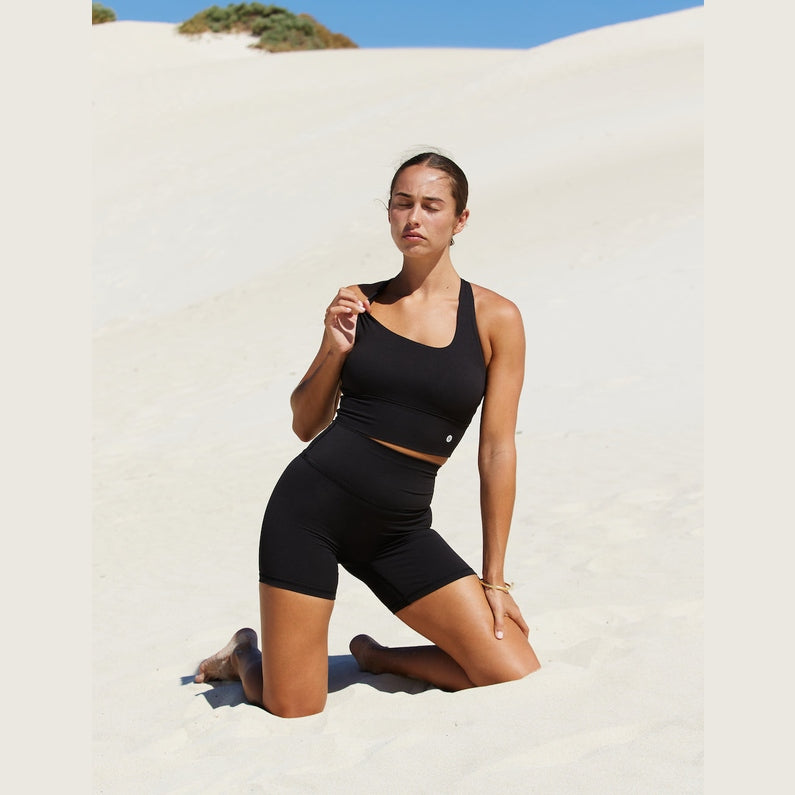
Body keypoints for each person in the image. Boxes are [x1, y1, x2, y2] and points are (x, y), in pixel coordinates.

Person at [195, 151, 541, 717]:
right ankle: (243, 655)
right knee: (293, 707)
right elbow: (305, 423)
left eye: (431, 205)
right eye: (402, 203)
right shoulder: (359, 302)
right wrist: (335, 346)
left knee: (513, 668)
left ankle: (380, 658)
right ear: (389, 214)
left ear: (460, 220)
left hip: (399, 532)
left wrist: (495, 579)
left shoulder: (496, 317)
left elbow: (497, 449)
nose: (414, 217)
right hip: (310, 513)